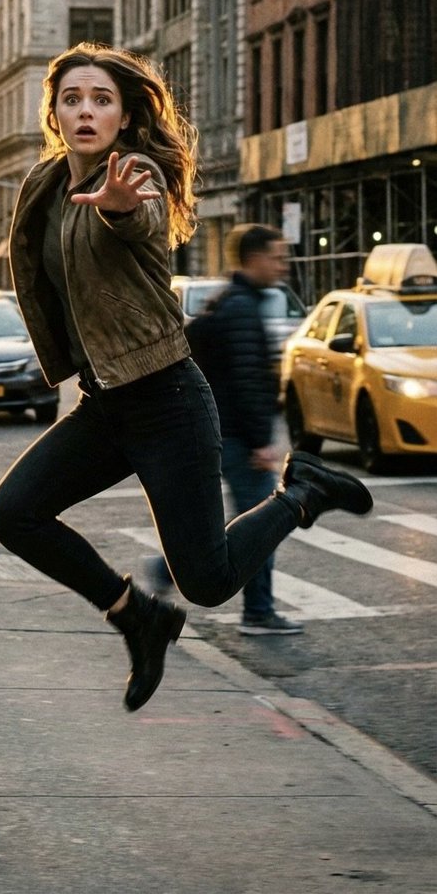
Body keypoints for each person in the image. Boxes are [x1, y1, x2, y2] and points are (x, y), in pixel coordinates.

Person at [0, 43, 373, 712]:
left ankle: (302, 492)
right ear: (54, 114)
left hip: (167, 401)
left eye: (101, 100)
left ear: (125, 115)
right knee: (12, 513)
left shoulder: (136, 174)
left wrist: (116, 207)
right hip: (104, 405)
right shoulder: (43, 184)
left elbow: (142, 221)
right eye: (72, 99)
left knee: (209, 580)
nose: (86, 111)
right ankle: (138, 616)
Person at [150, 224, 304, 635]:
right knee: (261, 525)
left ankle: (166, 569)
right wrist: (260, 442)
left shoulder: (229, 301)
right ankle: (258, 612)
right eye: (276, 257)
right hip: (237, 437)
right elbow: (248, 380)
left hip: (219, 431)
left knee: (238, 518)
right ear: (255, 258)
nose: (283, 266)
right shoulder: (242, 309)